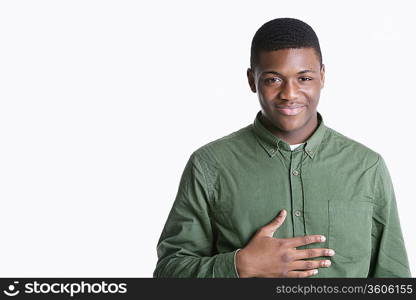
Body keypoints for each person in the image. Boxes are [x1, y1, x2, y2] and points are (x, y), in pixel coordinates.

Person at [153, 18, 411, 278]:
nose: (289, 93)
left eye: (304, 78)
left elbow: (394, 279)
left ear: (322, 76)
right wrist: (241, 265)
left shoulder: (366, 166)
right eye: (273, 80)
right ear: (252, 80)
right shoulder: (210, 165)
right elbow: (168, 273)